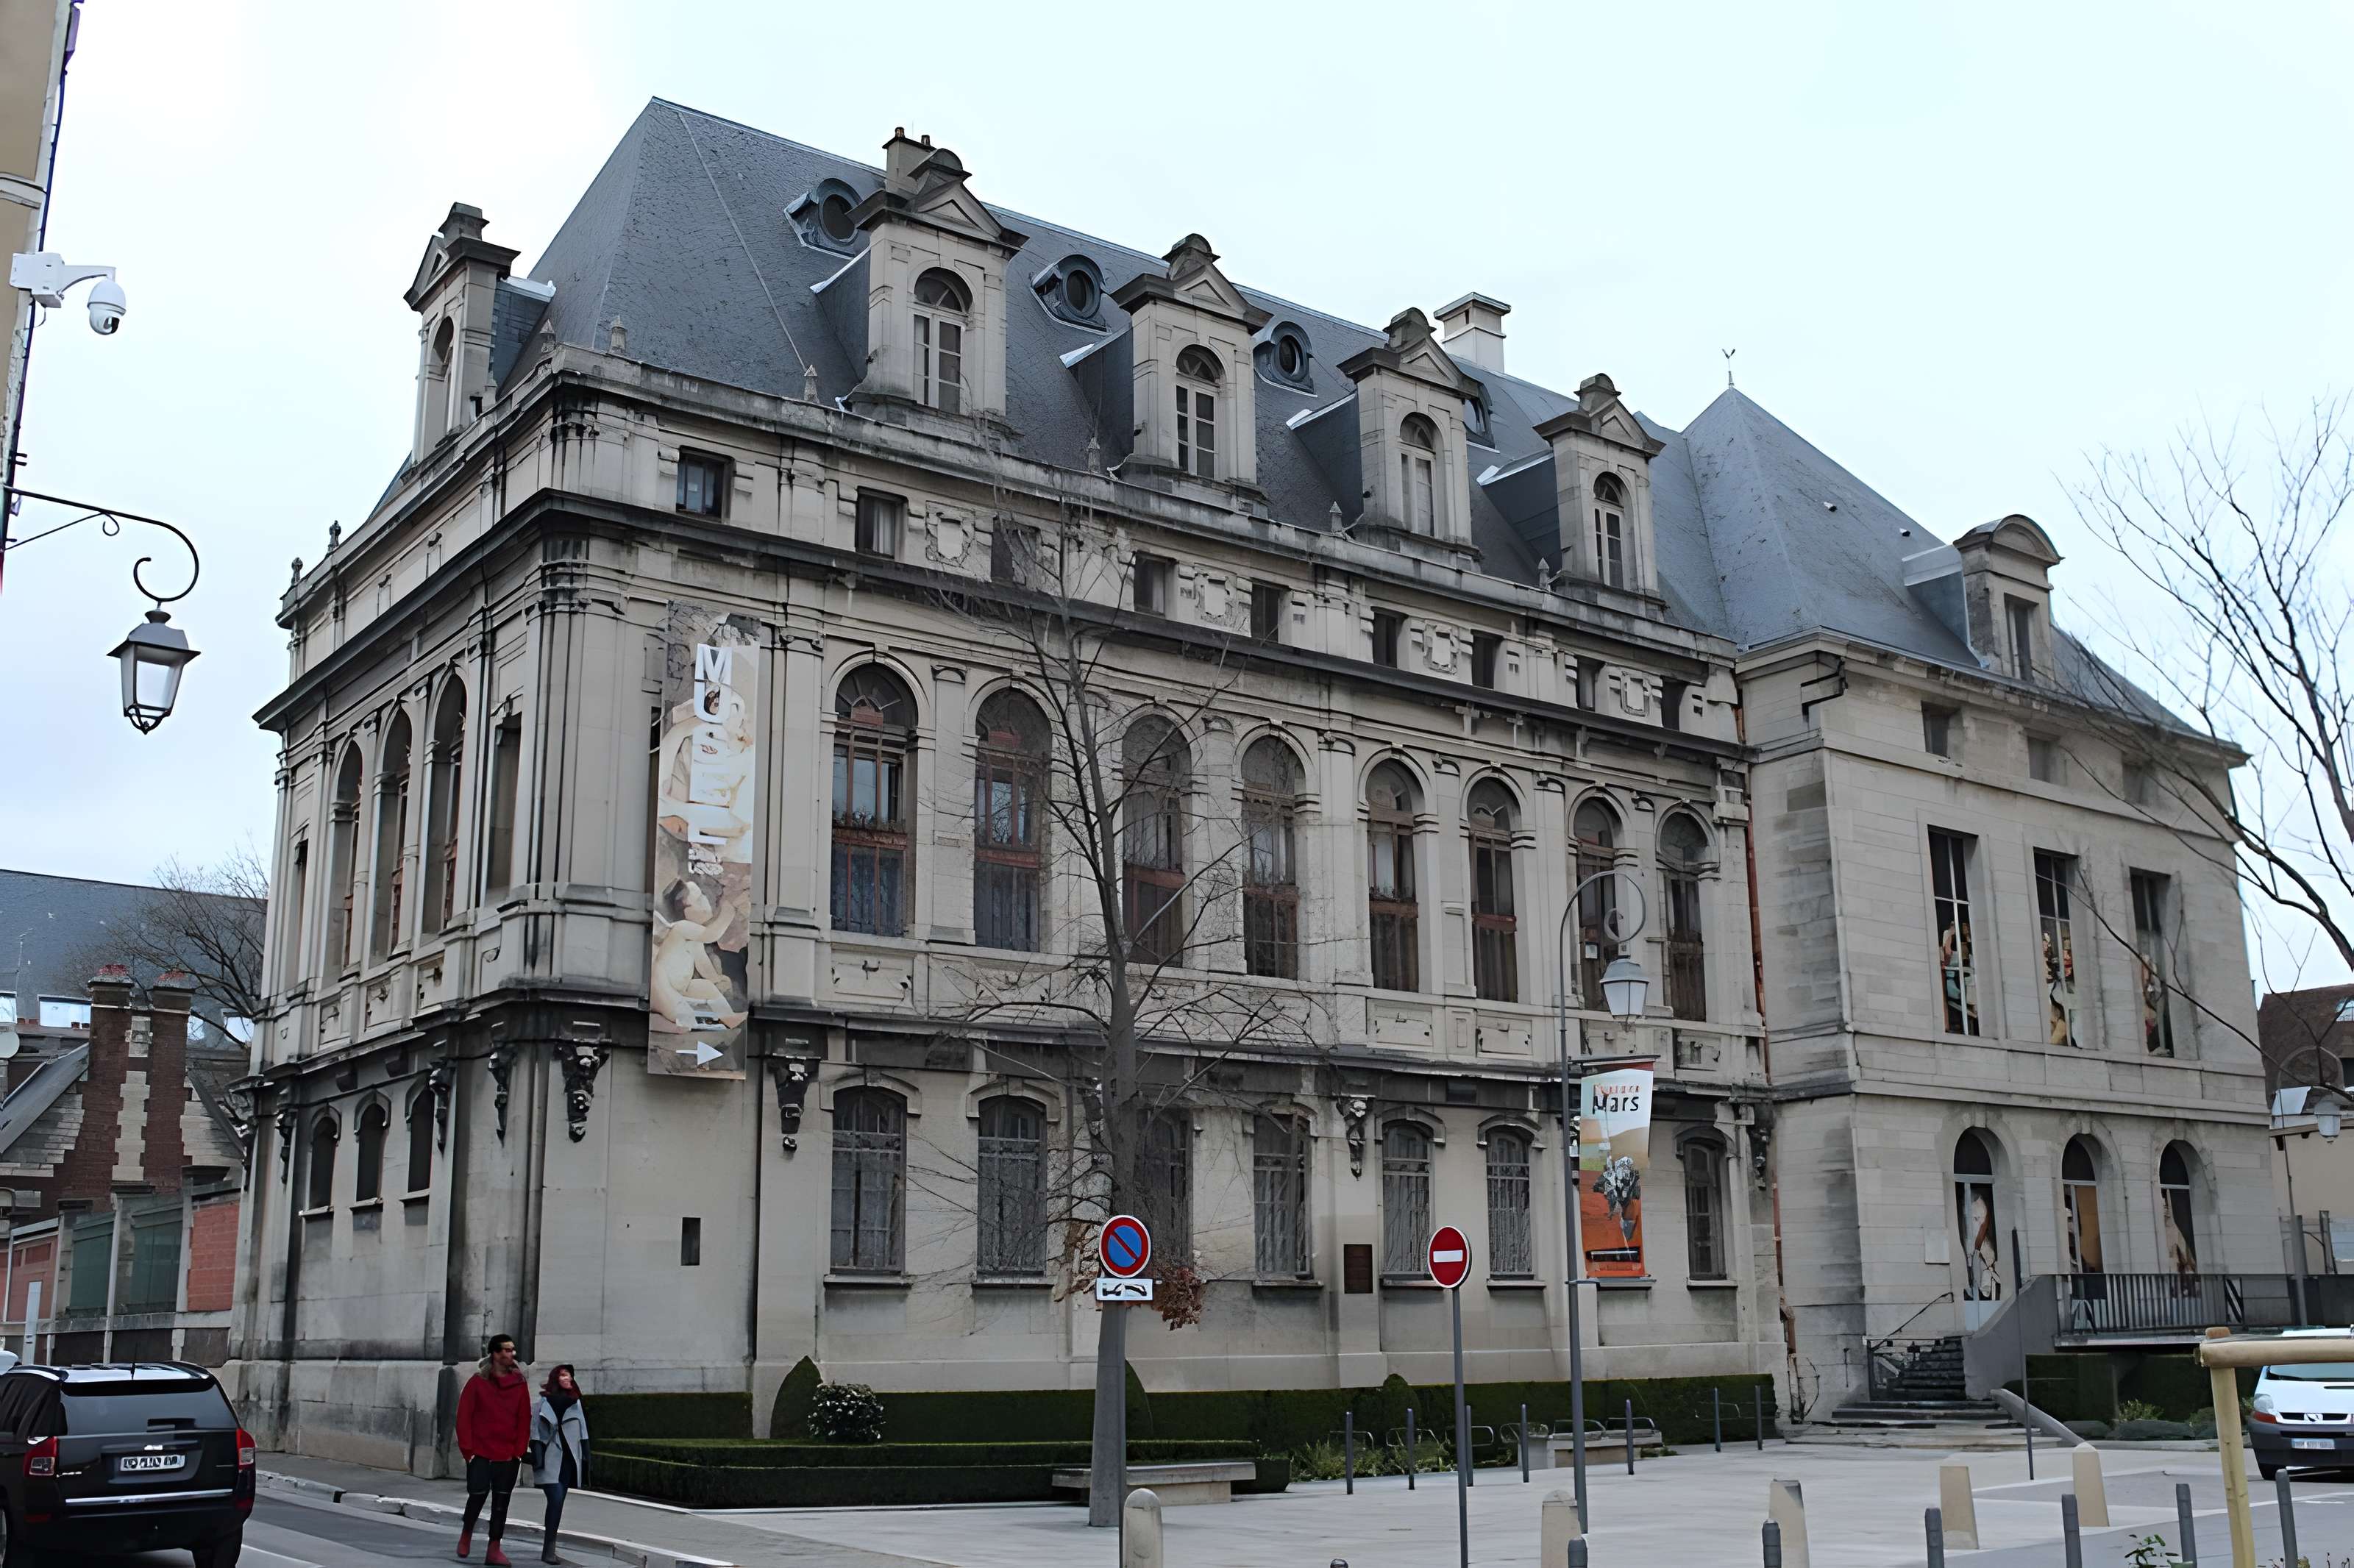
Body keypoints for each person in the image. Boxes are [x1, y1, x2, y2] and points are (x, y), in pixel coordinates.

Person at [455, 1333, 531, 1565]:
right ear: (495, 1354)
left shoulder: (519, 1384)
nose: (511, 1355)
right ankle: (467, 1533)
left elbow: (524, 1418)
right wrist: (469, 1451)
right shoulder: (477, 1383)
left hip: (508, 1454)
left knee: (501, 1503)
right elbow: (464, 1417)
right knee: (477, 1496)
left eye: (512, 1350)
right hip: (480, 1452)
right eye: (506, 1351)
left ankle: (494, 1548)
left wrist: (518, 1452)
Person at [530, 1365, 591, 1565]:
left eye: (570, 1375)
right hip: (549, 1458)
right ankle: (548, 1550)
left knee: (558, 1502)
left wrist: (586, 1459)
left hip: (568, 1461)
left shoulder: (575, 1402)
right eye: (564, 1374)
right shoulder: (543, 1403)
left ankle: (549, 1547)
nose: (568, 1378)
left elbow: (583, 1434)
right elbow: (535, 1433)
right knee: (555, 1499)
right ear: (556, 1378)